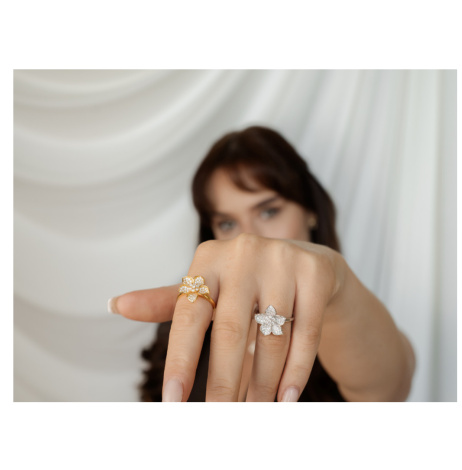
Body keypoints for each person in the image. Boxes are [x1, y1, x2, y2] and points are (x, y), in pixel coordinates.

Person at [108, 125, 416, 402]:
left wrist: (335, 276)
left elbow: (388, 389)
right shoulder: (185, 323)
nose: (249, 238)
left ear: (311, 211)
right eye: (227, 223)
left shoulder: (348, 321)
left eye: (269, 212)